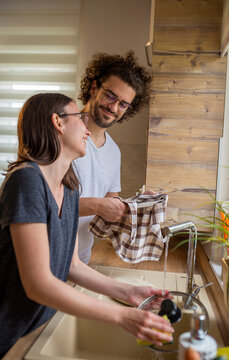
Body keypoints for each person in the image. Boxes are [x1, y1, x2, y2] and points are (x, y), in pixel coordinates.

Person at [0, 92, 174, 357]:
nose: (86, 128)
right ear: (58, 122)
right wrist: (122, 316)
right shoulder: (26, 181)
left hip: (36, 325)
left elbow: (72, 266)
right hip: (7, 332)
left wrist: (131, 293)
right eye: (80, 118)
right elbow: (38, 284)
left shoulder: (69, 188)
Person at [74, 50, 152, 264]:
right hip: (41, 256)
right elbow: (45, 204)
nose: (114, 108)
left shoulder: (114, 152)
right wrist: (100, 205)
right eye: (110, 96)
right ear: (93, 87)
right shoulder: (62, 132)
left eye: (124, 104)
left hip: (80, 260)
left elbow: (109, 211)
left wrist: (137, 206)